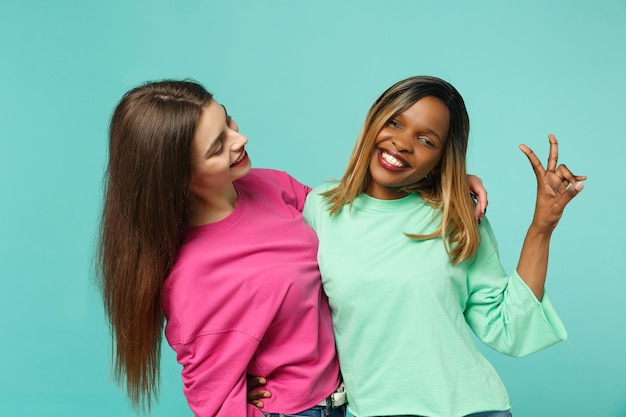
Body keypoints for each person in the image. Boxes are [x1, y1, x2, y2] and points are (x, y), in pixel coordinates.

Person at [97, 79, 487, 417]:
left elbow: (352, 212)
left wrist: (445, 179)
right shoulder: (195, 276)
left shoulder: (272, 186)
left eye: (228, 121)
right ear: (179, 176)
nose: (240, 138)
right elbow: (212, 400)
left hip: (349, 402)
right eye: (219, 146)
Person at [299, 76, 585, 417]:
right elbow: (293, 311)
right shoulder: (321, 208)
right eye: (395, 122)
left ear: (440, 158)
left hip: (472, 409)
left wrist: (542, 226)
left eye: (426, 140)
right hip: (372, 410)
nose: (403, 143)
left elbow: (508, 326)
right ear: (374, 119)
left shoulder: (456, 214)